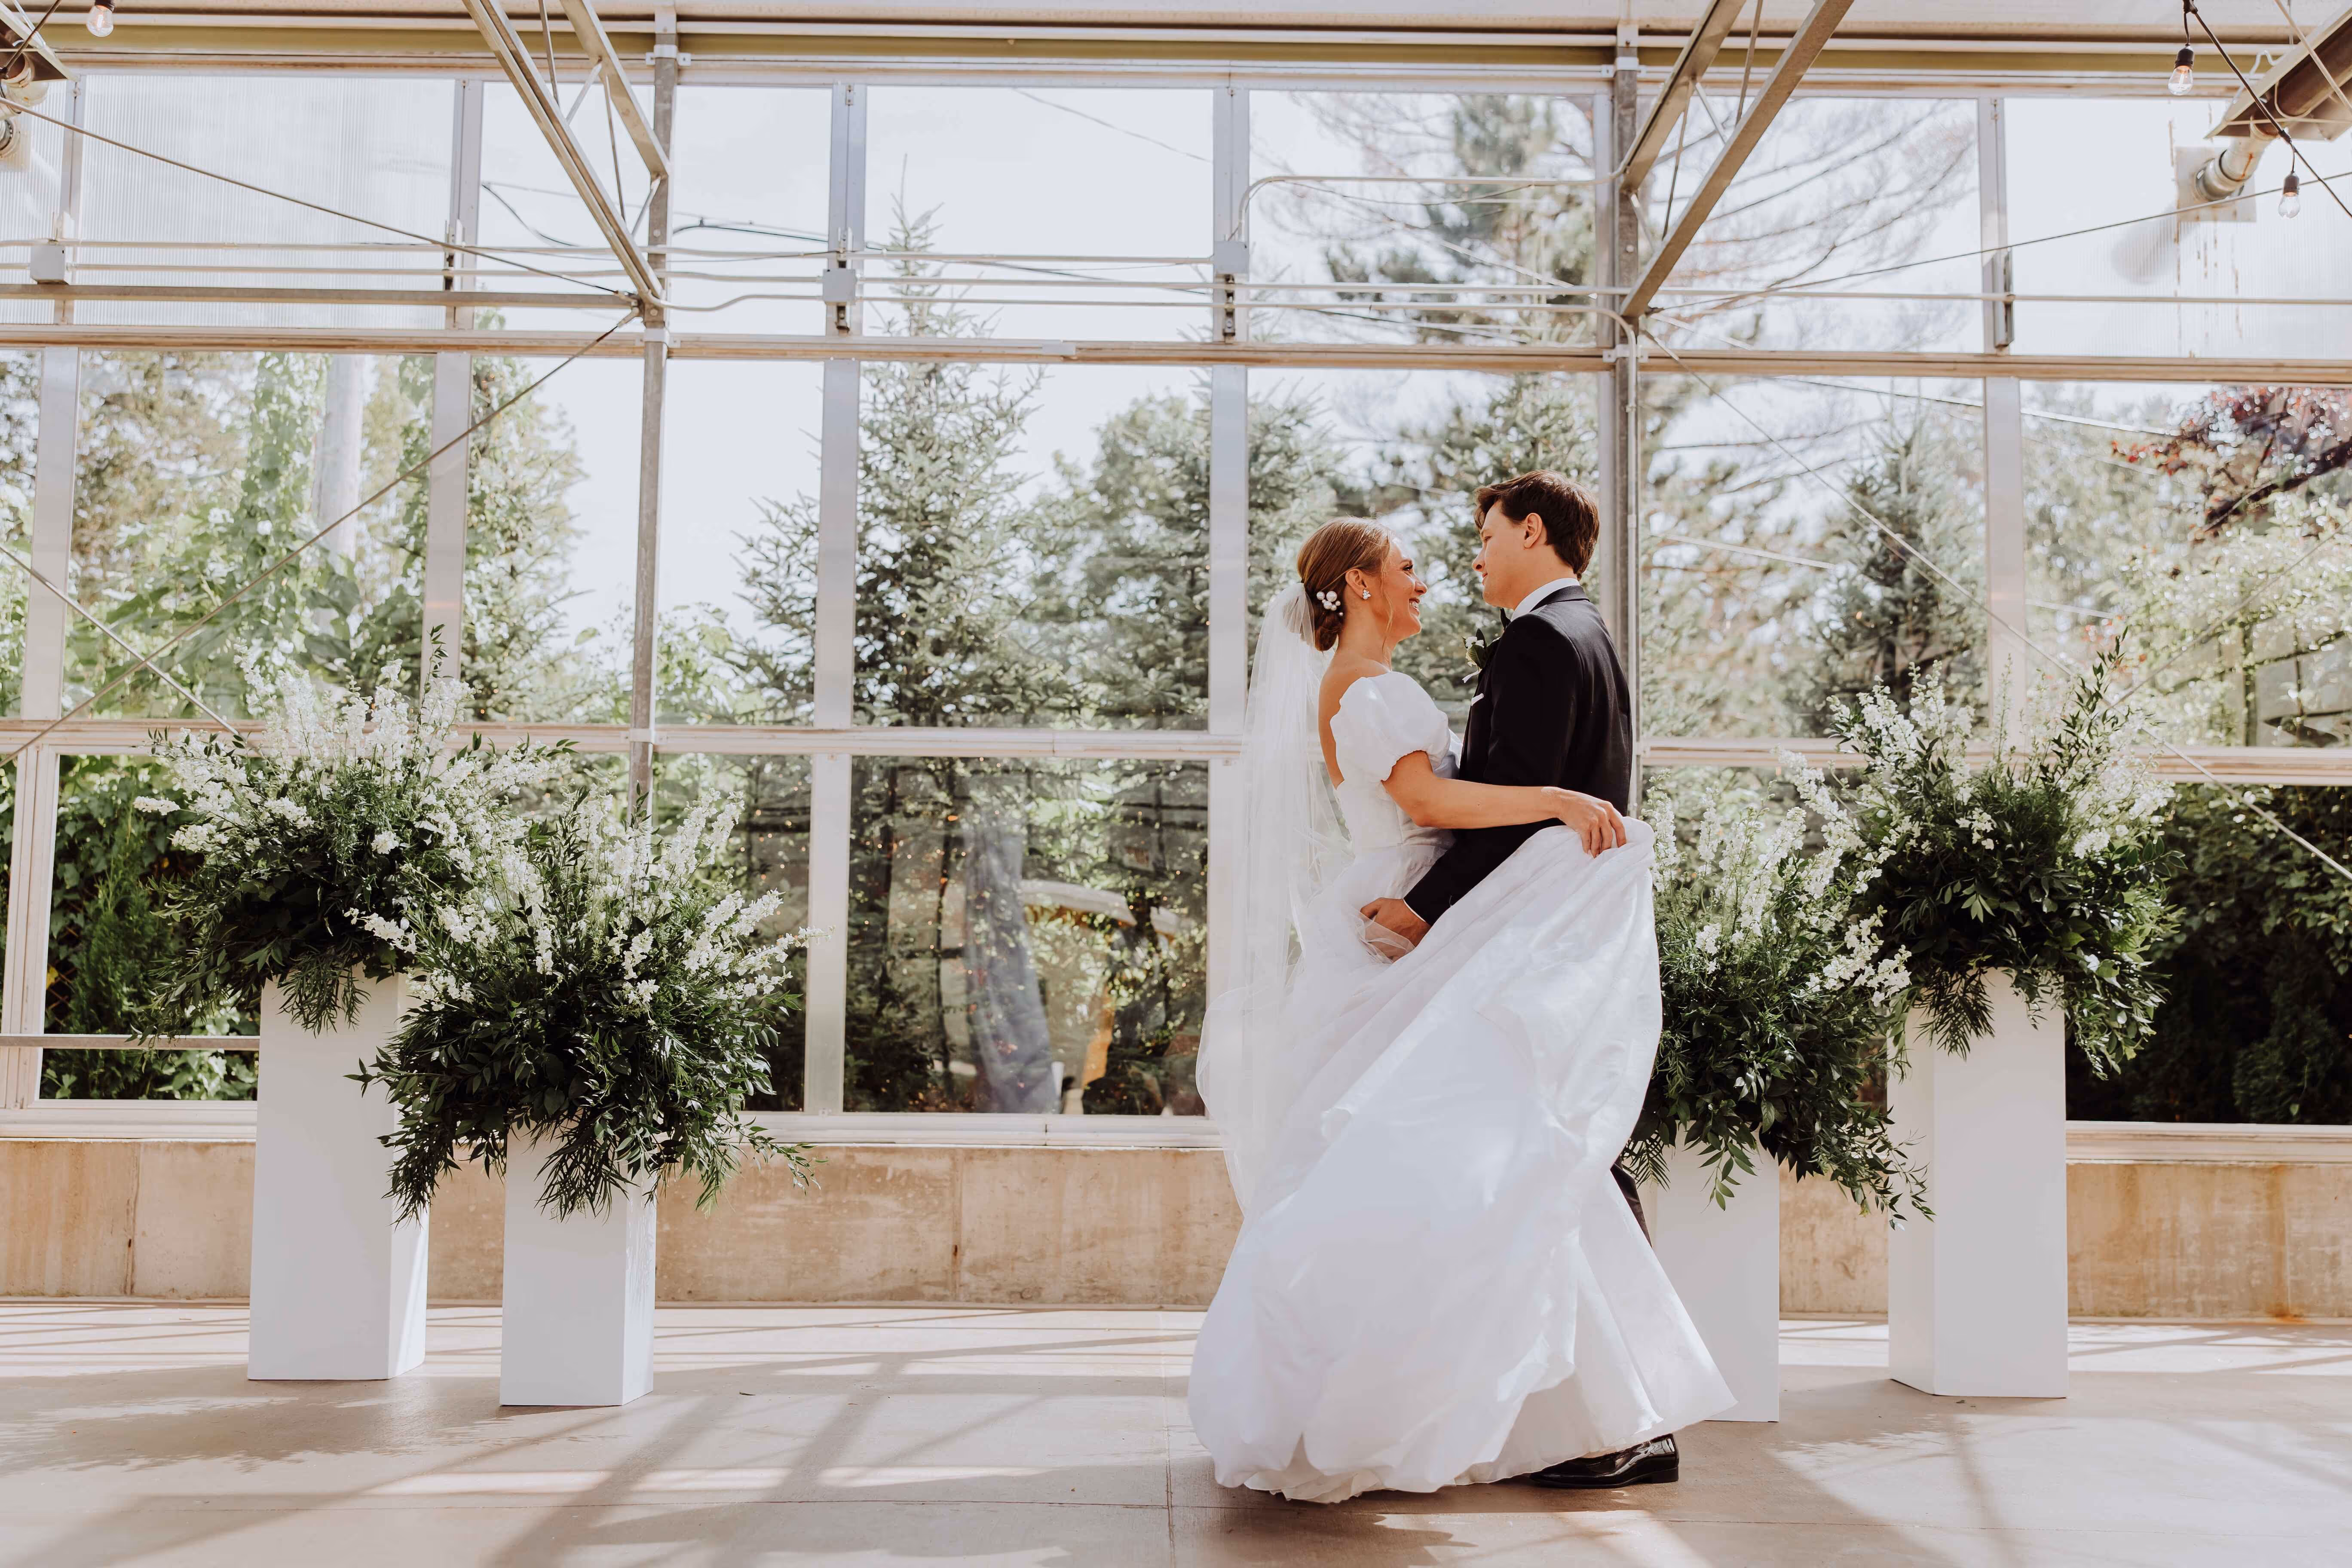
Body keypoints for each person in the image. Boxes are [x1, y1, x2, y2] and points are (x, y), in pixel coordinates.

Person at [1189, 478, 1729, 1504]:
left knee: (1484, 1156)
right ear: (1358, 585)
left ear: (1532, 534)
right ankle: (1571, 1408)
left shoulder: (1465, 658)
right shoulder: (1375, 684)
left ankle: (1572, 1407)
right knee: (1480, 1154)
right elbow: (1432, 800)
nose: (1435, 575)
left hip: (1461, 915)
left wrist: (1496, 853)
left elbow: (1448, 800)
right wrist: (1555, 804)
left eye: (1474, 542)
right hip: (1429, 918)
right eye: (1405, 568)